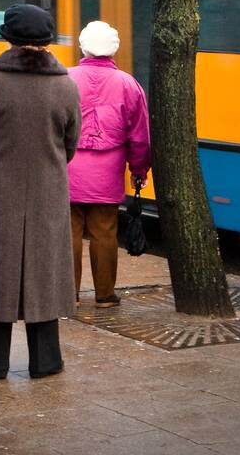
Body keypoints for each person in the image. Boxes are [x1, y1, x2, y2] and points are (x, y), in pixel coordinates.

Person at [0, 3, 81, 379]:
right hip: (47, 191)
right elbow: (70, 143)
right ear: (47, 41)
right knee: (43, 272)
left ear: (7, 38)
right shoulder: (65, 85)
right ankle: (46, 361)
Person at [68, 21, 151, 308]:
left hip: (68, 170)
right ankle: (104, 295)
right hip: (107, 173)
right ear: (113, 50)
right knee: (105, 232)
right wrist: (139, 171)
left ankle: (69, 295)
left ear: (83, 46)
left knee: (69, 232)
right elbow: (140, 137)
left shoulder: (65, 79)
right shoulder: (129, 85)